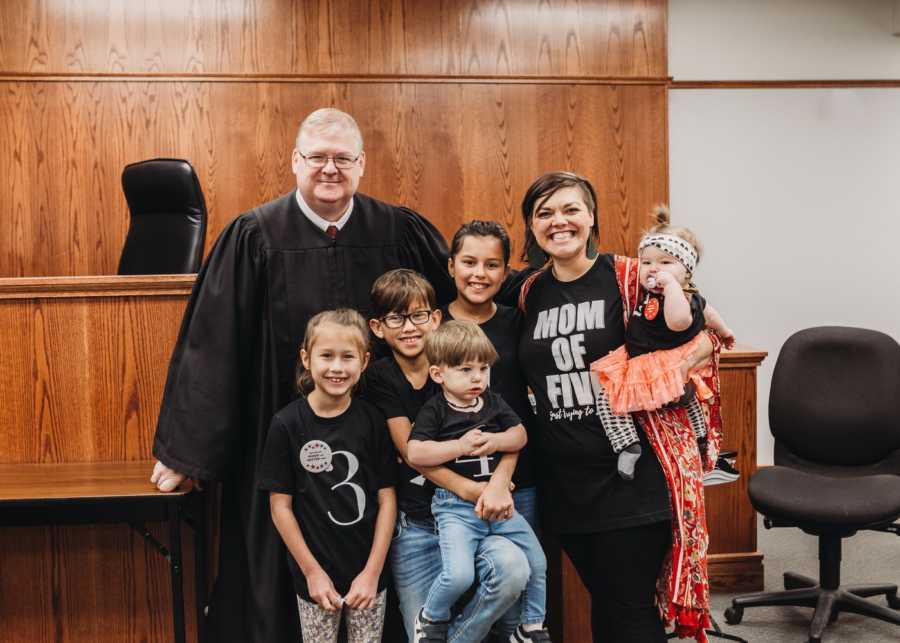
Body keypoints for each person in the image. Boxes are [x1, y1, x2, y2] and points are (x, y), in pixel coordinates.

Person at [149, 107, 454, 643]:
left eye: (342, 159)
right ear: (295, 161)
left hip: (380, 433)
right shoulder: (254, 235)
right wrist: (187, 452)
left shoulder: (397, 229)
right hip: (282, 437)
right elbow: (212, 346)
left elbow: (454, 306)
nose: (329, 169)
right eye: (317, 158)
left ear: (361, 164)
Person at [515, 171, 719, 642]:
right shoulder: (530, 292)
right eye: (544, 213)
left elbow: (702, 330)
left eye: (570, 209)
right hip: (563, 483)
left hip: (633, 477)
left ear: (591, 217)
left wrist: (684, 360)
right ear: (532, 225)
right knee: (607, 602)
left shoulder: (629, 276)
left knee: (628, 612)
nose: (558, 221)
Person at [363, 269, 529, 642]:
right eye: (396, 318)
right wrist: (474, 490)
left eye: (419, 315)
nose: (409, 327)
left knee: (515, 569)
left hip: (477, 520)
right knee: (424, 631)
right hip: (418, 524)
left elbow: (509, 434)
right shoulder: (382, 377)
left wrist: (499, 484)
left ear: (436, 318)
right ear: (377, 327)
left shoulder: (466, 362)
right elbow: (413, 453)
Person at [407, 321, 551, 643]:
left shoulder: (493, 402)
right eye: (465, 369)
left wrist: (497, 442)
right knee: (458, 575)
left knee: (537, 561)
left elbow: (521, 435)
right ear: (438, 374)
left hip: (499, 505)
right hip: (456, 508)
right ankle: (431, 617)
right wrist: (460, 446)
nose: (477, 378)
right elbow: (415, 452)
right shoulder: (436, 410)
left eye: (483, 368)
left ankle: (531, 627)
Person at [258, 309, 396, 643]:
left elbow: (387, 499)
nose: (337, 367)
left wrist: (372, 573)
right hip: (314, 578)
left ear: (364, 362)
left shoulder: (373, 421)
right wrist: (312, 572)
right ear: (306, 359)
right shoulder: (287, 424)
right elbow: (280, 508)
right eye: (326, 356)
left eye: (347, 357)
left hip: (368, 574)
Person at [590, 205, 735, 474]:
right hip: (638, 358)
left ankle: (701, 437)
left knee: (683, 397)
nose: (653, 269)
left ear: (686, 271)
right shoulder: (647, 294)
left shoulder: (682, 295)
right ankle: (627, 444)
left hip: (664, 360)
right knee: (609, 397)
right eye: (646, 262)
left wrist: (671, 288)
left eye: (665, 263)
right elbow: (711, 314)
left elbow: (681, 321)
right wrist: (724, 330)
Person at [441, 221, 538, 529]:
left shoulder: (520, 323)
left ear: (505, 272)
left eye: (491, 265)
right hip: (452, 486)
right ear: (451, 265)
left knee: (526, 569)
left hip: (518, 479)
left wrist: (503, 476)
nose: (479, 274)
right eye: (469, 262)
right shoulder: (432, 326)